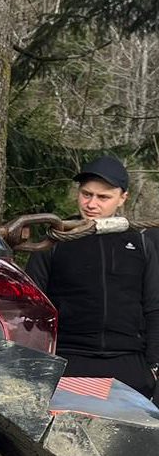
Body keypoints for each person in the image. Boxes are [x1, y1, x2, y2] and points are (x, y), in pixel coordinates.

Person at [25, 155, 159, 397]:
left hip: (129, 365)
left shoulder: (141, 243)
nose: (92, 204)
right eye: (86, 194)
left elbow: (154, 307)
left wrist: (153, 366)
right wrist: (39, 362)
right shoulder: (54, 241)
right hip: (68, 360)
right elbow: (32, 307)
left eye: (103, 197)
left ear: (122, 198)